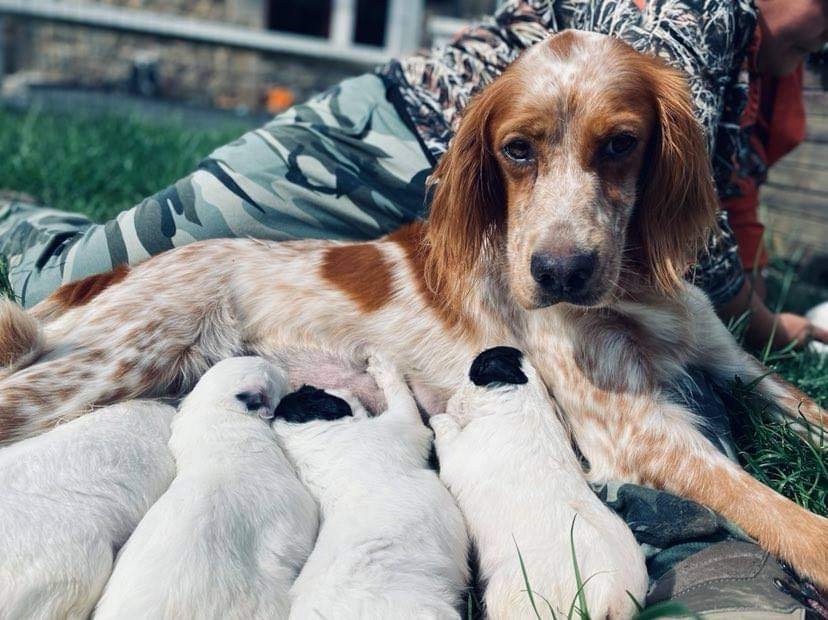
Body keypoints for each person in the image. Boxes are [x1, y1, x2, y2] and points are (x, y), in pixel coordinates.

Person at [0, 0, 826, 615]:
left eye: (617, 150)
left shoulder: (757, 99)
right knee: (43, 379)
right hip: (229, 289)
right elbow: (638, 445)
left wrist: (783, 358)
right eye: (522, 157)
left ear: (654, 153)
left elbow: (747, 373)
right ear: (491, 166)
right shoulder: (697, 17)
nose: (565, 243)